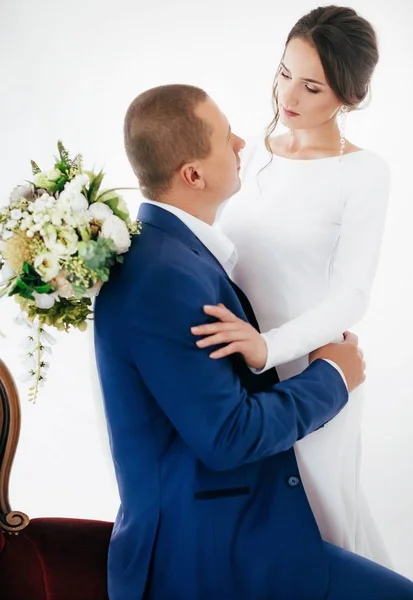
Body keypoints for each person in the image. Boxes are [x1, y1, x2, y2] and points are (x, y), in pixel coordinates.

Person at [94, 84, 413, 599]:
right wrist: (334, 376)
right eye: (224, 137)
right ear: (192, 174)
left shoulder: (170, 253)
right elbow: (230, 436)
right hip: (205, 553)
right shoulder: (164, 277)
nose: (243, 142)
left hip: (231, 523)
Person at [195, 5, 391, 565]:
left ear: (348, 97)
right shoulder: (249, 155)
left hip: (311, 370)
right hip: (230, 369)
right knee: (250, 523)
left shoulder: (364, 173)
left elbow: (352, 294)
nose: (289, 95)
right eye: (284, 73)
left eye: (311, 86)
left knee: (325, 519)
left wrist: (270, 348)